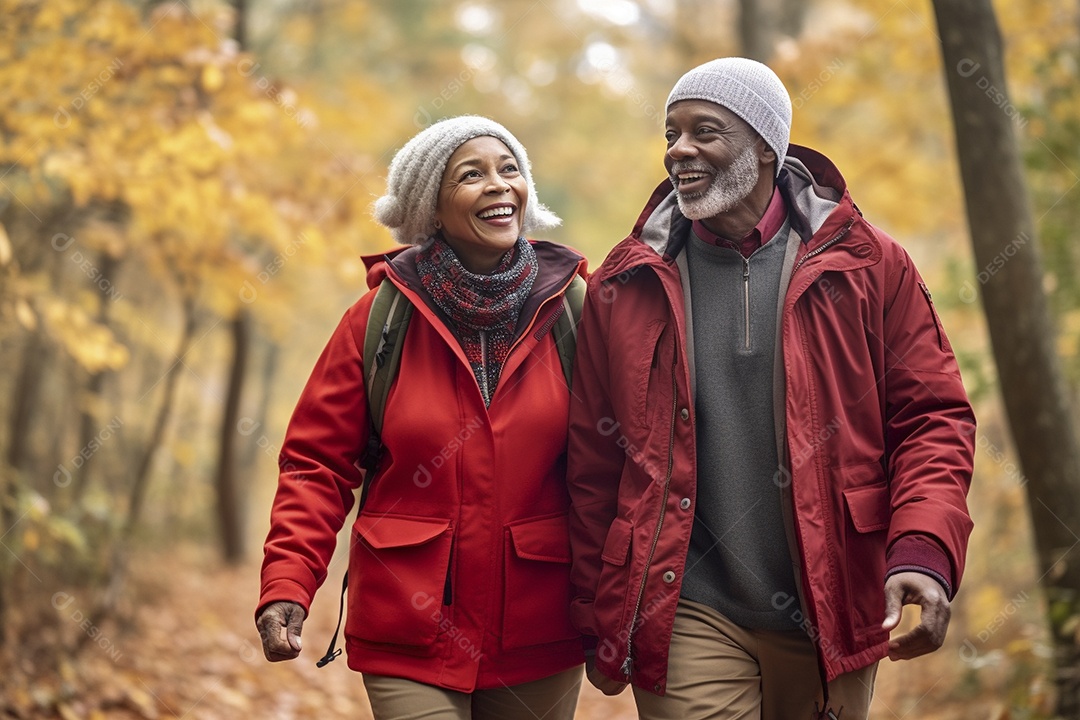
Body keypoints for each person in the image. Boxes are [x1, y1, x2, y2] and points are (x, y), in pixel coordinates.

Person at [566, 57, 975, 719]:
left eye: (704, 131)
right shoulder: (626, 281)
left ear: (763, 146)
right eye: (670, 133)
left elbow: (933, 419)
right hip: (686, 609)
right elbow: (592, 462)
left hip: (831, 604)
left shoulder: (869, 264)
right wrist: (597, 612)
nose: (679, 150)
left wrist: (923, 548)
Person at [256, 116, 586, 720]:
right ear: (430, 206)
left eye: (509, 170)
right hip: (409, 625)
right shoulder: (380, 316)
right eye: (472, 174)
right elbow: (317, 465)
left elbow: (616, 464)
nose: (499, 185)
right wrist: (288, 583)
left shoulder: (573, 310)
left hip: (540, 629)